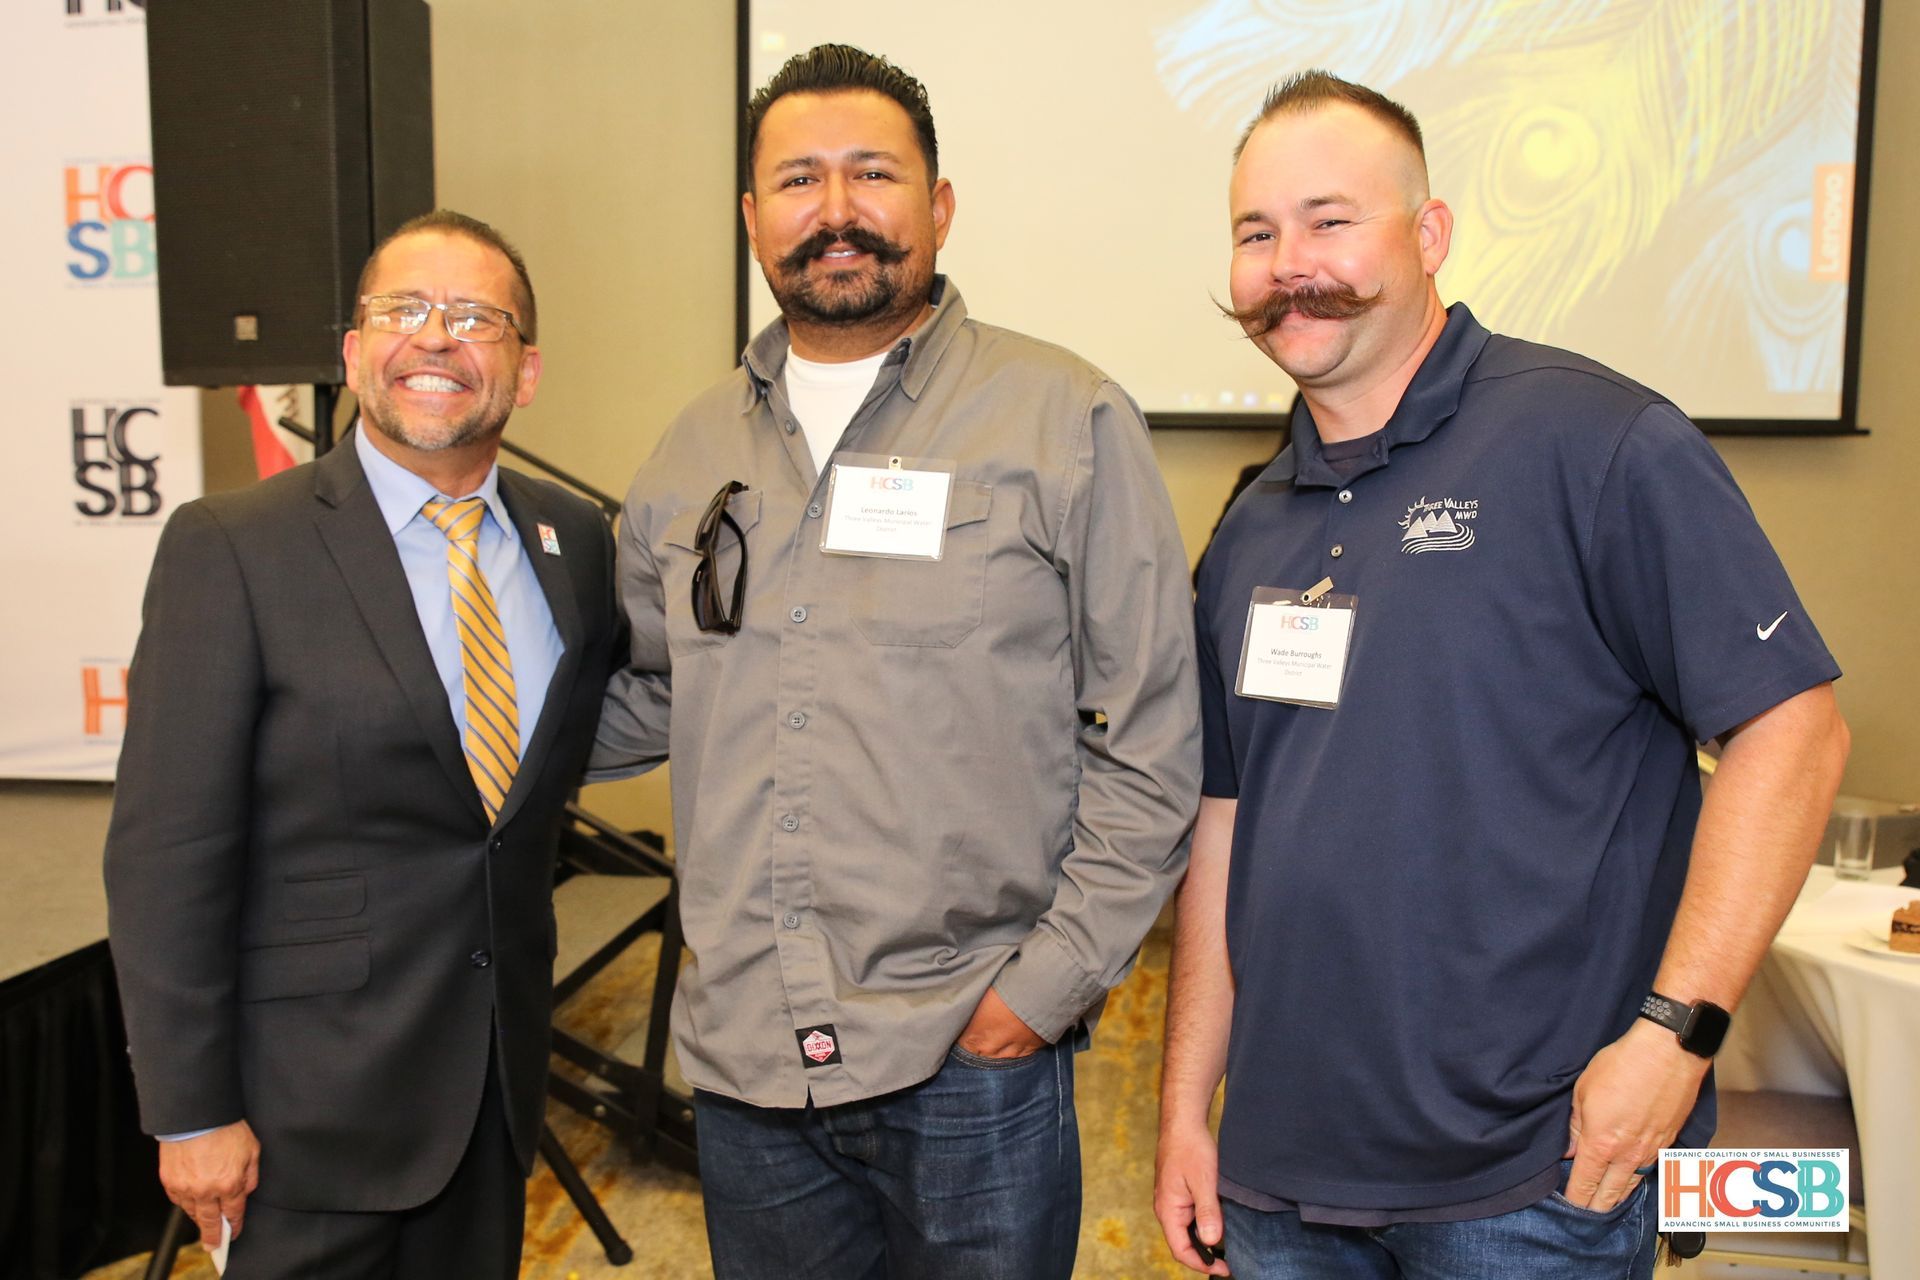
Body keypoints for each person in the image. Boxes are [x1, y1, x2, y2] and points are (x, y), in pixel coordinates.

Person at [1155, 71, 1850, 1279]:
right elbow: (1227, 825)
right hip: (1280, 1179)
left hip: (1532, 1182)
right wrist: (1183, 1109)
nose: (1286, 263)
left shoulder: (1593, 443)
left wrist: (1675, 1037)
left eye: (1330, 220)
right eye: (1256, 233)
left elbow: (1795, 728)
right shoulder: (1252, 527)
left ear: (1430, 235)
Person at [591, 43, 1200, 1279]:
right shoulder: (693, 446)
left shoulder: (1066, 417)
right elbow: (649, 689)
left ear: (941, 205)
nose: (838, 211)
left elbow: (1152, 736)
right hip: (748, 1059)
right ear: (753, 218)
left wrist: (1039, 992)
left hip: (968, 1061)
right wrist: (431, 712)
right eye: (800, 180)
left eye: (874, 174)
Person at [104, 210, 623, 1278]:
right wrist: (191, 1110)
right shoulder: (234, 548)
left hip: (491, 1098)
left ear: (524, 371)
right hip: (302, 1125)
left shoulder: (574, 544)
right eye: (403, 311)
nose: (436, 337)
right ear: (353, 351)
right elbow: (167, 854)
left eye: (476, 318)